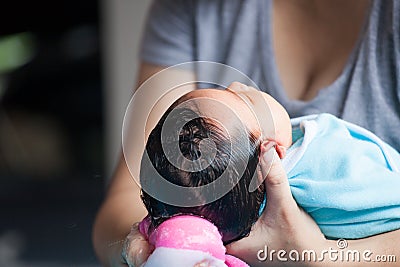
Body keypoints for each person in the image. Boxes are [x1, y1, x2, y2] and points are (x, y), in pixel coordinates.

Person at [93, 0, 400, 266]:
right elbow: (126, 198)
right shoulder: (189, 8)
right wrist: (155, 247)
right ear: (272, 151)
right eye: (240, 98)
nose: (240, 84)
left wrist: (321, 256)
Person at [135, 84, 400, 266]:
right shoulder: (324, 171)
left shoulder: (234, 198)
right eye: (246, 99)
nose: (239, 83)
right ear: (271, 153)